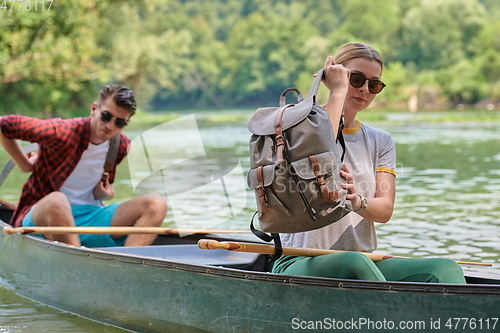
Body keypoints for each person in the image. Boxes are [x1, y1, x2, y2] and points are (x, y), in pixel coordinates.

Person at [271, 43, 466, 284]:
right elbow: (325, 152)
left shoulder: (381, 141)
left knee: (444, 269)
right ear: (336, 78)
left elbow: (384, 210)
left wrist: (357, 202)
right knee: (353, 261)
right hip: (299, 261)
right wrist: (337, 92)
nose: (364, 90)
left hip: (365, 262)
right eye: (356, 79)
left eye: (373, 84)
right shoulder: (299, 127)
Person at [0, 85, 167, 247]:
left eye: (120, 123)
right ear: (94, 109)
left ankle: (128, 267)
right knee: (58, 200)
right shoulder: (62, 131)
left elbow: (100, 184)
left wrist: (106, 194)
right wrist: (24, 165)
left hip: (90, 216)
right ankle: (78, 260)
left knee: (156, 204)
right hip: (45, 216)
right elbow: (4, 125)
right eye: (106, 116)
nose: (110, 126)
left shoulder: (121, 145)